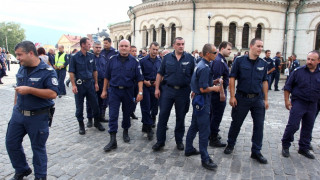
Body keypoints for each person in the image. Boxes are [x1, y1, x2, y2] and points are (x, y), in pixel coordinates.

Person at [6, 41, 58, 180]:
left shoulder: (47, 71)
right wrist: (15, 106)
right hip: (19, 114)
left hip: (38, 116)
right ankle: (22, 169)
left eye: (19, 55)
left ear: (30, 53)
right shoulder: (22, 68)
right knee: (11, 143)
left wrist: (30, 90)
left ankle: (40, 177)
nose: (17, 58)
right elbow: (18, 88)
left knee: (38, 148)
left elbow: (53, 94)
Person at [224, 38, 269, 164]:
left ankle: (256, 151)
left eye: (262, 46)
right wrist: (232, 96)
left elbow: (265, 81)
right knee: (236, 123)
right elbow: (232, 78)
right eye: (258, 46)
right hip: (242, 98)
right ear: (251, 46)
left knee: (259, 126)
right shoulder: (239, 61)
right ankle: (231, 144)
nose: (260, 49)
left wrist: (266, 99)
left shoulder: (263, 63)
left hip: (257, 99)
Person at [152, 37, 195, 151]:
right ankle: (160, 141)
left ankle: (179, 141)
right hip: (168, 90)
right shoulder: (167, 58)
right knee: (163, 116)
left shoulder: (190, 58)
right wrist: (157, 88)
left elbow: (194, 76)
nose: (181, 46)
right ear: (174, 45)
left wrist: (195, 90)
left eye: (183, 44)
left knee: (181, 117)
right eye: (178, 44)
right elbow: (160, 74)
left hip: (183, 91)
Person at [101, 39, 143, 152]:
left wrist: (140, 92)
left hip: (128, 91)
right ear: (118, 47)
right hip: (114, 91)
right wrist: (104, 91)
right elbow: (106, 76)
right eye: (121, 46)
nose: (124, 48)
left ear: (129, 47)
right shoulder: (112, 60)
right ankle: (112, 139)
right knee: (113, 114)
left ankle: (125, 131)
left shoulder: (135, 61)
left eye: (126, 46)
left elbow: (139, 79)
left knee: (127, 113)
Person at [185, 43, 222, 170]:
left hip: (198, 100)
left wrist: (213, 82)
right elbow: (203, 88)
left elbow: (198, 81)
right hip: (202, 101)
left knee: (194, 125)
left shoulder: (201, 64)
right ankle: (205, 159)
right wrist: (215, 88)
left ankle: (189, 148)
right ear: (208, 54)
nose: (216, 55)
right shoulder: (205, 67)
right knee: (204, 130)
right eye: (214, 53)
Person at [281, 50, 320, 159]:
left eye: (313, 60)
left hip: (313, 104)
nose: (309, 61)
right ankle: (285, 145)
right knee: (293, 125)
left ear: (318, 61)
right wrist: (286, 101)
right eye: (308, 59)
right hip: (299, 102)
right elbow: (287, 87)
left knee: (308, 126)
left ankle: (303, 147)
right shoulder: (298, 72)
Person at [69, 37, 105, 135]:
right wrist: (73, 85)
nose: (90, 46)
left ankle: (97, 122)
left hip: (90, 84)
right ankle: (81, 125)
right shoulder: (74, 57)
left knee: (95, 105)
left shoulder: (91, 56)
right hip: (80, 85)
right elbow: (71, 72)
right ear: (83, 44)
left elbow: (94, 71)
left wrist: (96, 83)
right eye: (89, 44)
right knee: (79, 107)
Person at [209, 41, 231, 147]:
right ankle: (213, 138)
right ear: (222, 49)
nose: (230, 51)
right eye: (228, 49)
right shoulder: (219, 61)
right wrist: (222, 93)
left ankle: (212, 134)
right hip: (218, 93)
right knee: (216, 115)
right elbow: (218, 80)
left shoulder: (221, 60)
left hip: (219, 92)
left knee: (214, 114)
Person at [140, 42, 161, 140]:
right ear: (149, 49)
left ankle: (148, 122)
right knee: (146, 106)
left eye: (157, 50)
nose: (155, 51)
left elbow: (162, 74)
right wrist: (145, 82)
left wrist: (158, 82)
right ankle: (148, 128)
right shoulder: (143, 61)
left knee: (155, 107)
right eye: (154, 49)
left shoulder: (160, 61)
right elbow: (139, 75)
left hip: (156, 86)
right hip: (146, 86)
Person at [85, 41, 109, 127]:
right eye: (96, 47)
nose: (98, 49)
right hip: (92, 82)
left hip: (102, 82)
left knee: (101, 100)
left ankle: (98, 118)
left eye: (99, 47)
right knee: (90, 101)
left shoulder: (103, 57)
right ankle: (90, 119)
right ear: (93, 47)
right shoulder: (89, 57)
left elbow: (106, 70)